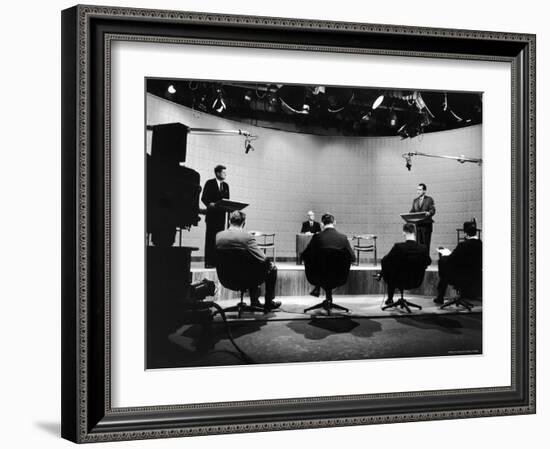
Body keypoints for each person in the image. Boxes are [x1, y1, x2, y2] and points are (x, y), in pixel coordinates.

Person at [216, 211, 281, 311]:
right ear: (244, 223)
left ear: (229, 221)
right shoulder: (247, 237)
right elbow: (264, 259)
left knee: (251, 266)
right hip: (245, 279)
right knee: (271, 268)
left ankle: (255, 302)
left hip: (226, 279)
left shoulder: (218, 236)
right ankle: (268, 303)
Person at [302, 213, 356, 297]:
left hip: (318, 277)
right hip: (339, 276)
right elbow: (353, 258)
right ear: (334, 222)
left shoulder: (317, 237)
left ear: (322, 224)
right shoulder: (343, 238)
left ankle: (318, 288)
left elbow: (304, 255)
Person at [380, 223, 431, 305]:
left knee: (389, 267)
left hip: (398, 280)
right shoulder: (423, 248)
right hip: (416, 280)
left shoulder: (398, 247)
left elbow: (385, 261)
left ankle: (390, 299)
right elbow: (428, 262)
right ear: (415, 232)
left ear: (404, 232)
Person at [433, 221, 482, 304]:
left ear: (466, 233)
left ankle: (440, 297)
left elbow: (452, 258)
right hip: (475, 274)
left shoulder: (463, 245)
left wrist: (443, 256)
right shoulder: (481, 244)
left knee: (443, 267)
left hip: (461, 276)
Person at [201, 165, 230, 268]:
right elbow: (204, 198)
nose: (225, 174)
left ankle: (217, 262)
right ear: (217, 173)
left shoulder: (226, 186)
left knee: (219, 240)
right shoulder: (209, 183)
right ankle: (209, 262)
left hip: (221, 217)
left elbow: (227, 201)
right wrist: (210, 204)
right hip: (212, 216)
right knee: (210, 239)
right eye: (223, 172)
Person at [410, 183, 436, 255]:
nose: (418, 191)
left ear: (424, 191)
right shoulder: (415, 201)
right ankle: (420, 261)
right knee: (418, 244)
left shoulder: (429, 199)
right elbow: (412, 211)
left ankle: (426, 261)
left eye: (420, 189)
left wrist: (429, 213)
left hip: (426, 226)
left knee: (426, 244)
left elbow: (433, 210)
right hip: (418, 225)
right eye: (417, 189)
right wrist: (408, 215)